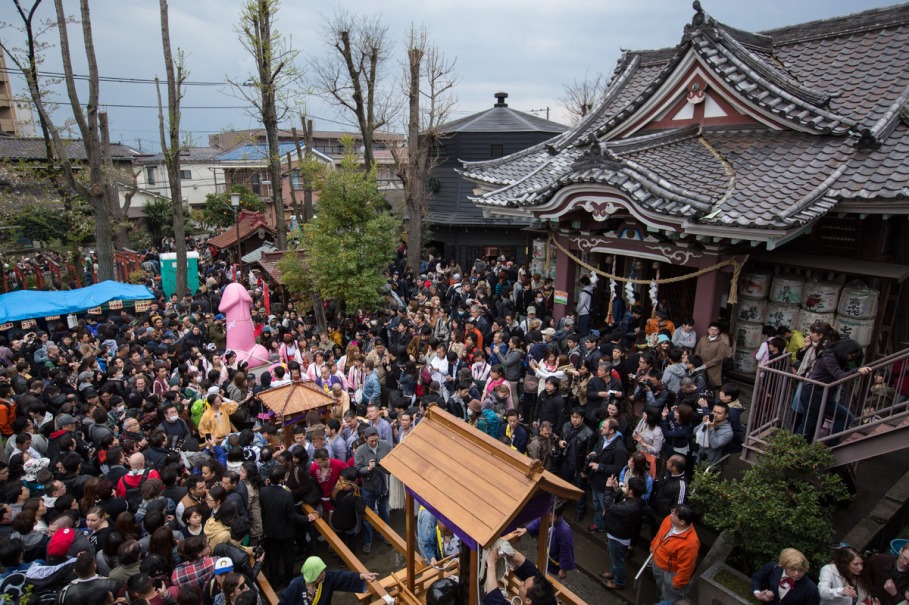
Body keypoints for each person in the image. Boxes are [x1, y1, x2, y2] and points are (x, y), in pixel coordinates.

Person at [600, 476, 646, 590]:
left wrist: (608, 488)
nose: (625, 487)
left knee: (617, 560)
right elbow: (620, 501)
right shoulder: (634, 500)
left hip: (618, 536)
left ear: (631, 491)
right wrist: (616, 489)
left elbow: (609, 505)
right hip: (617, 532)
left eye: (627, 486)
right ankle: (613, 573)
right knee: (614, 556)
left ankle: (619, 581)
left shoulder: (631, 507)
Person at [353, 426, 392, 555]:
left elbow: (392, 459)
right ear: (365, 439)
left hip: (383, 486)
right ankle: (367, 541)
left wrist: (383, 464)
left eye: (376, 440)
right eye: (371, 441)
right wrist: (368, 468)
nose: (374, 443)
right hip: (368, 487)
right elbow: (358, 469)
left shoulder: (385, 445)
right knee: (367, 515)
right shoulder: (360, 451)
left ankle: (385, 535)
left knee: (384, 512)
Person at [650, 504, 701, 601]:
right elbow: (660, 534)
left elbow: (687, 566)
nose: (671, 514)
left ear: (682, 522)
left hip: (669, 572)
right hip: (657, 562)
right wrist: (653, 545)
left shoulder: (690, 543)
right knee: (659, 585)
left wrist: (677, 582)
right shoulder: (669, 520)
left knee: (670, 595)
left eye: (674, 514)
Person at [278, 556, 377, 605]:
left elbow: (342, 577)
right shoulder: (295, 587)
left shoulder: (327, 579)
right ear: (313, 575)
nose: (324, 573)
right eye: (320, 572)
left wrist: (361, 576)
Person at [586, 418, 628, 534]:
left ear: (612, 430)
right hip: (596, 479)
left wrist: (600, 467)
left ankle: (603, 525)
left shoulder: (619, 448)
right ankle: (599, 522)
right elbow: (597, 447)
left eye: (604, 427)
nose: (601, 429)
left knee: (603, 505)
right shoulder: (602, 437)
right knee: (596, 502)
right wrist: (594, 452)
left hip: (605, 483)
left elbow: (619, 468)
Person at [515, 502, 575, 580]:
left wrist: (563, 569)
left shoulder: (565, 532)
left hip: (554, 564)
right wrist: (526, 529)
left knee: (547, 580)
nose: (548, 516)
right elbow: (540, 520)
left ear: (557, 516)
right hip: (545, 555)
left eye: (550, 515)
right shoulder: (549, 518)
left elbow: (566, 551)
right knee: (538, 573)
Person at [483, 546, 557, 605]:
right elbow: (533, 573)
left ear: (528, 601)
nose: (521, 583)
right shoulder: (548, 600)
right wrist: (509, 551)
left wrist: (491, 563)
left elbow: (494, 599)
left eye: (524, 584)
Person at [752, 548, 820, 604]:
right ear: (784, 566)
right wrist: (758, 593)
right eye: (792, 569)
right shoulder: (774, 568)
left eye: (801, 570)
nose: (797, 573)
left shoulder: (811, 589)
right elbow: (756, 578)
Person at [867, 540, 909, 605]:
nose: (905, 563)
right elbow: (862, 577)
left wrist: (895, 594)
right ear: (900, 550)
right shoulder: (879, 560)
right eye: (904, 558)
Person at [693, 322, 732, 388]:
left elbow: (719, 357)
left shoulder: (721, 342)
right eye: (711, 329)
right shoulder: (703, 339)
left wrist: (706, 365)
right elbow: (697, 351)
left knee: (711, 387)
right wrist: (698, 362)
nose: (713, 332)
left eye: (715, 330)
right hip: (701, 366)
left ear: (719, 331)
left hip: (713, 369)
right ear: (708, 330)